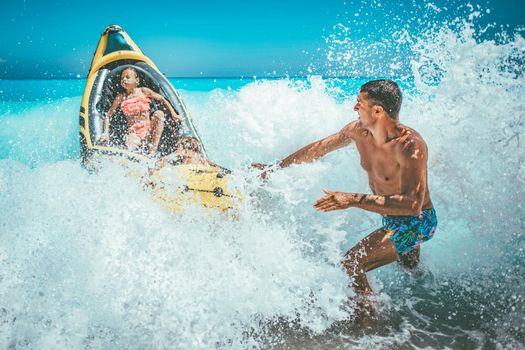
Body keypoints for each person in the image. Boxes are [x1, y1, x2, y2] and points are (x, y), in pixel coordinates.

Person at [253, 80, 437, 306]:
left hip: (417, 221)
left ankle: (368, 331)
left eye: (360, 103)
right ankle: (426, 304)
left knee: (352, 264)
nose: (354, 108)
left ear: (377, 110)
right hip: (390, 216)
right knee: (411, 270)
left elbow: (411, 205)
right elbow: (319, 148)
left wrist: (351, 199)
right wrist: (275, 169)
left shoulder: (410, 145)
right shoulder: (357, 131)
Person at [100, 67, 182, 155]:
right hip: (134, 133)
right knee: (130, 145)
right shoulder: (121, 97)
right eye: (122, 78)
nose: (124, 80)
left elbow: (162, 99)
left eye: (127, 77)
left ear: (137, 80)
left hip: (149, 129)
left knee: (159, 114)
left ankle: (152, 152)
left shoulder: (143, 91)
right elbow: (108, 115)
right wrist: (105, 133)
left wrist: (173, 114)